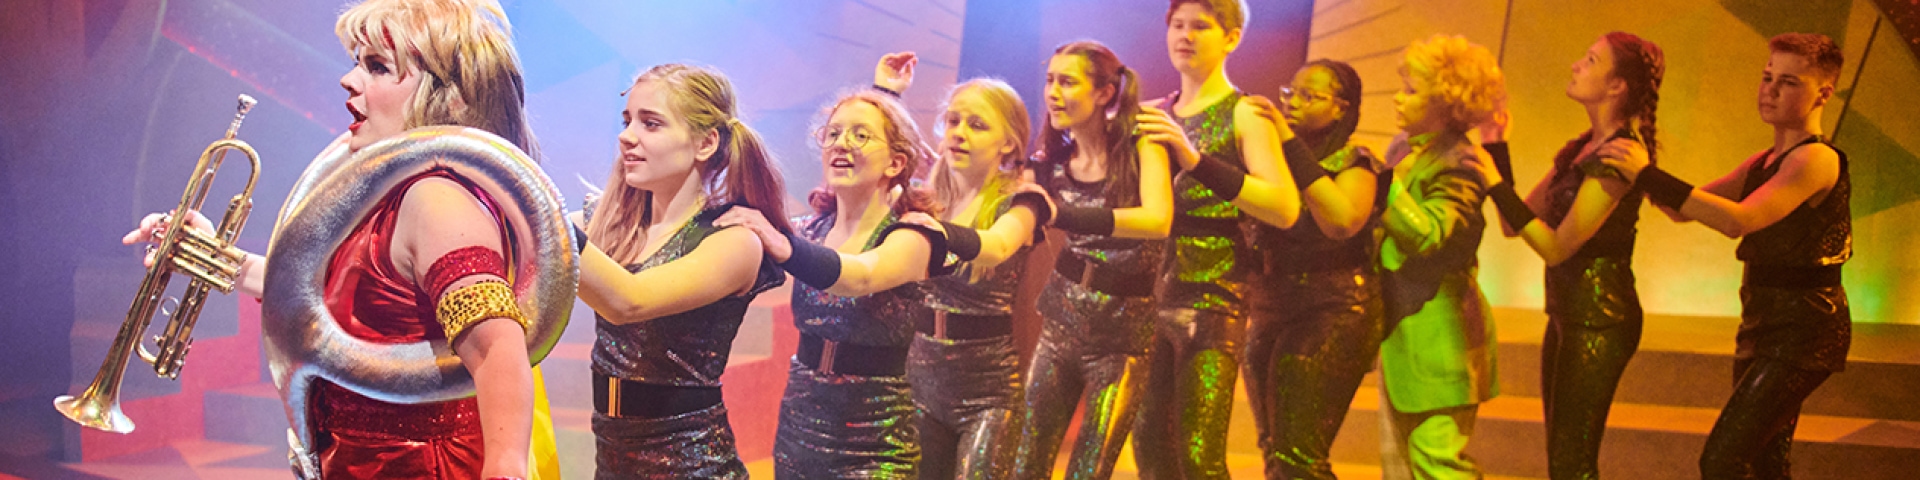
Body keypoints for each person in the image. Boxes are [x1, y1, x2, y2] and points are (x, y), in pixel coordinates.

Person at [123, 0, 556, 478]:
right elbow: (349, 305)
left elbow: (497, 349)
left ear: (449, 98)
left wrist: (505, 468)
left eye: (376, 67)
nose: (349, 80)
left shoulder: (436, 199)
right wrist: (214, 257)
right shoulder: (392, 191)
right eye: (356, 63)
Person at [1596, 32, 1851, 480]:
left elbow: (1738, 220)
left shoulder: (1816, 161)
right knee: (1765, 461)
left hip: (1806, 330)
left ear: (1823, 94)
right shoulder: (1764, 160)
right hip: (1764, 322)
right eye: (1767, 76)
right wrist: (1637, 151)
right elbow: (1680, 209)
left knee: (1724, 460)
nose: (1769, 90)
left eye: (1788, 82)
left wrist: (1647, 174)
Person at [715, 87, 950, 479]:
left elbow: (862, 276)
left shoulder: (915, 234)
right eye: (834, 133)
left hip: (876, 441)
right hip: (800, 428)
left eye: (860, 135)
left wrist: (784, 245)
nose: (842, 143)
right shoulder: (810, 229)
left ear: (895, 163)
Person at [571, 64, 789, 478]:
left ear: (705, 143)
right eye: (627, 120)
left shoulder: (731, 240)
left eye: (650, 124)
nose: (627, 136)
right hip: (612, 460)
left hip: (692, 467)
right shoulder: (607, 224)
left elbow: (628, 300)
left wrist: (537, 212)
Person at [1475, 32, 1664, 480]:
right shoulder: (1582, 147)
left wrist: (1492, 182)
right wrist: (1496, 147)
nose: (1577, 64)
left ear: (1617, 85)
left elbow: (1557, 247)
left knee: (1571, 463)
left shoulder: (1622, 154)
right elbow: (1513, 223)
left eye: (1591, 59)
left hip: (1601, 317)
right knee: (1562, 459)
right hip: (1568, 313)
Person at [1128, 1, 1305, 477]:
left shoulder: (1245, 113)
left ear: (1231, 38)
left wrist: (1195, 159)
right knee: (1148, 442)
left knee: (1199, 453)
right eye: (1177, 25)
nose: (1184, 35)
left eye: (1200, 27)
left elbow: (1285, 208)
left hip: (1214, 294)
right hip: (1148, 294)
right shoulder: (1152, 113)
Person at [872, 52, 1052, 479]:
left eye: (977, 124)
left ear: (1008, 143)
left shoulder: (1024, 200)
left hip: (987, 395)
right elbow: (871, 166)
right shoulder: (922, 199)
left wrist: (929, 230)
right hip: (917, 383)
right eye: (953, 121)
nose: (959, 133)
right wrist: (885, 95)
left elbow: (993, 246)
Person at [1010, 40, 1175, 480]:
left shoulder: (1142, 146)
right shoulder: (1050, 163)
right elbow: (1006, 212)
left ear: (1104, 93)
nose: (1053, 93)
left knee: (1089, 471)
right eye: (1049, 81)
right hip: (1062, 324)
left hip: (1122, 339)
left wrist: (1062, 213)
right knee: (1027, 462)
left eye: (1067, 81)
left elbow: (1158, 220)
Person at [1234, 58, 1390, 480]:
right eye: (1290, 93)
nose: (1293, 103)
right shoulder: (1269, 160)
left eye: (1309, 95)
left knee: (1300, 455)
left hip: (1334, 308)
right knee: (1274, 451)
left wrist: (1287, 142)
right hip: (1270, 302)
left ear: (1341, 107)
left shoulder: (1357, 162)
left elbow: (1340, 221)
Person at [1373, 34, 1505, 480]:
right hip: (1403, 335)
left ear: (1448, 103)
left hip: (1441, 339)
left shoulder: (1462, 162)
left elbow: (1429, 234)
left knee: (1437, 466)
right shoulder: (1403, 150)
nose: (1398, 97)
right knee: (1401, 467)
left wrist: (1379, 184)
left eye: (1411, 91)